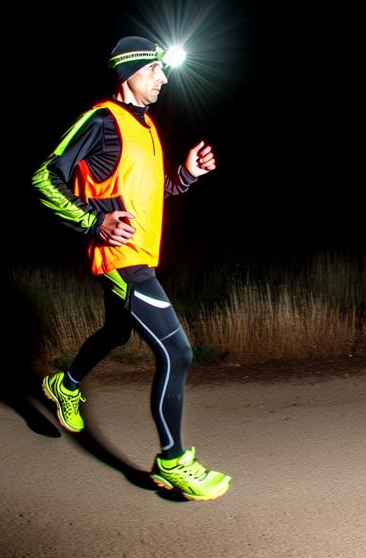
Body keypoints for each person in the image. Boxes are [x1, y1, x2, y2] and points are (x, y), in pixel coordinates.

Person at [32, 35, 232, 501]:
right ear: (130, 73)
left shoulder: (146, 128)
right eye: (156, 70)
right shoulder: (102, 119)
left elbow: (149, 193)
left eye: (165, 71)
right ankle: (173, 461)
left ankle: (65, 383)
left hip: (139, 255)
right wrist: (94, 221)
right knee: (178, 353)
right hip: (122, 260)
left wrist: (186, 175)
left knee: (116, 333)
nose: (164, 79)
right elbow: (45, 176)